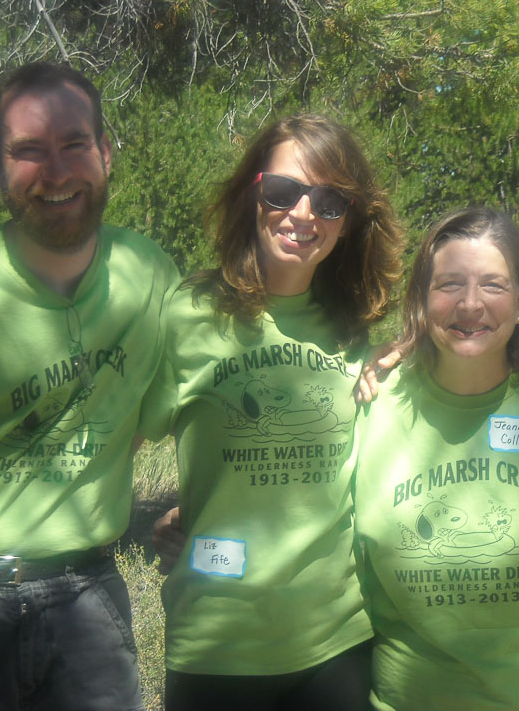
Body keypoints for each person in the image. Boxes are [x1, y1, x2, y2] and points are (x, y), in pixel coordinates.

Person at [0, 62, 180, 710]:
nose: (56, 172)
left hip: (88, 598)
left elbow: (146, 424)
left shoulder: (150, 275)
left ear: (106, 153)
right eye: (28, 151)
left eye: (74, 144)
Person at [139, 114, 404, 710]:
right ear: (250, 196)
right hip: (217, 642)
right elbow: (116, 447)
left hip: (338, 643)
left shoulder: (356, 333)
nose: (304, 214)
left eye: (331, 200)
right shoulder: (186, 312)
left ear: (350, 220)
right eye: (283, 192)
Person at [352, 208, 519, 710]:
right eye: (449, 284)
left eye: (492, 285)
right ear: (423, 301)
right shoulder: (372, 400)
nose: (470, 304)